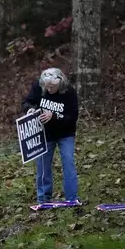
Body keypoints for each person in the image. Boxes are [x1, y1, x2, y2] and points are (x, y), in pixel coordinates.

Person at [21, 67, 80, 204]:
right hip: (45, 133)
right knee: (43, 166)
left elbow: (72, 117)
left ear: (60, 83)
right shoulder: (38, 86)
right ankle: (43, 198)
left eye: (52, 86)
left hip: (66, 133)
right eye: (47, 86)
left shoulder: (69, 91)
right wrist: (30, 109)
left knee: (68, 162)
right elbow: (26, 101)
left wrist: (54, 116)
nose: (49, 89)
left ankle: (72, 198)